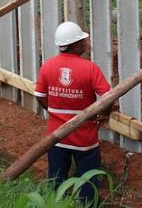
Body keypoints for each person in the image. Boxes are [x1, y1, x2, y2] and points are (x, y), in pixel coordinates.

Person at [34, 21, 111, 205]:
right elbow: (109, 97)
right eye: (83, 40)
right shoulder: (89, 68)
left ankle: (55, 203)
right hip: (85, 138)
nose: (86, 43)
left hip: (56, 136)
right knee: (87, 181)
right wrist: (103, 114)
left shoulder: (48, 66)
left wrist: (52, 110)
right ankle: (87, 203)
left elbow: (39, 95)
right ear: (76, 45)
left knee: (56, 178)